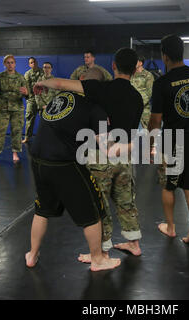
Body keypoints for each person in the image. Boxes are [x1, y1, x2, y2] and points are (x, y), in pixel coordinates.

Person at [34, 47, 144, 262]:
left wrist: (42, 83)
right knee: (125, 200)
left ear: (113, 66)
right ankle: (134, 243)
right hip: (124, 156)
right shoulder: (137, 97)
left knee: (99, 203)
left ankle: (101, 253)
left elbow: (60, 84)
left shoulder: (100, 88)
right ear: (135, 70)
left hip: (100, 155)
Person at [26, 68, 123, 271]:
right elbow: (106, 147)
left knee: (42, 209)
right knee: (93, 210)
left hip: (37, 159)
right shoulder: (95, 108)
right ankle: (98, 259)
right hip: (64, 163)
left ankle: (32, 254)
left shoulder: (60, 98)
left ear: (80, 79)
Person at [148, 34, 189, 243]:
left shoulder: (162, 83)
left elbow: (155, 120)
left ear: (164, 56)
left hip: (172, 138)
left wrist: (151, 145)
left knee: (169, 185)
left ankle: (170, 227)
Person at [0, 55, 29, 163]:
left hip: (17, 108)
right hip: (3, 108)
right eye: (8, 63)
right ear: (4, 64)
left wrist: (26, 93)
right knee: (0, 131)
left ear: (15, 64)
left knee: (17, 131)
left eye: (12, 62)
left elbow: (27, 94)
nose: (10, 65)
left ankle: (15, 153)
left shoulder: (21, 77)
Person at [22, 57, 44, 144]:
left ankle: (45, 137)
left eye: (34, 62)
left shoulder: (43, 71)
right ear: (29, 64)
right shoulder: (27, 74)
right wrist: (28, 97)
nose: (33, 63)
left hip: (42, 99)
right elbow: (26, 87)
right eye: (31, 62)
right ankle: (27, 137)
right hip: (32, 99)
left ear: (37, 62)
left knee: (44, 118)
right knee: (29, 118)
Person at [130, 55, 154, 129]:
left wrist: (139, 103)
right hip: (131, 107)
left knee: (148, 132)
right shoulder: (130, 74)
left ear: (140, 63)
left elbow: (149, 93)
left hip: (144, 108)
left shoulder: (148, 75)